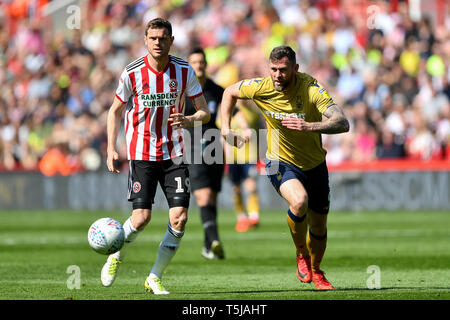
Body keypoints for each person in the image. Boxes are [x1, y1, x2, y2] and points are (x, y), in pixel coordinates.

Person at [220, 45, 349, 290]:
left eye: (283, 70)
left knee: (319, 226)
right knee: (299, 201)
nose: (278, 75)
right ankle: (301, 254)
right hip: (277, 161)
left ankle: (317, 270)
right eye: (274, 69)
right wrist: (226, 129)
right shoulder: (261, 86)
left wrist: (309, 126)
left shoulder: (310, 88)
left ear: (295, 69)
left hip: (315, 164)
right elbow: (229, 92)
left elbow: (342, 122)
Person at [104, 18, 210, 295]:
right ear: (145, 40)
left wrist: (189, 119)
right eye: (153, 38)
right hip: (141, 152)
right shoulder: (132, 72)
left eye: (163, 38)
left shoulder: (184, 71)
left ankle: (154, 277)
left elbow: (204, 112)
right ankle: (116, 255)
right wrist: (110, 148)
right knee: (141, 218)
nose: (158, 43)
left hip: (174, 152)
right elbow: (114, 111)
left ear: (171, 40)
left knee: (180, 218)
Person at [184, 47, 226, 260]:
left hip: (214, 147)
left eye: (201, 62)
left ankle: (208, 245)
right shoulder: (182, 91)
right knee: (204, 195)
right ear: (188, 65)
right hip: (191, 148)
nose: (198, 66)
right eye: (194, 62)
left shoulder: (216, 90)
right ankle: (216, 241)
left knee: (213, 198)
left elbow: (233, 110)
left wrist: (243, 128)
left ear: (206, 64)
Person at [224, 102, 261, 233]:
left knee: (251, 185)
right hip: (232, 157)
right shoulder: (226, 111)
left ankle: (254, 216)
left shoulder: (252, 113)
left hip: (249, 156)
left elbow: (259, 133)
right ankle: (241, 217)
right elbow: (221, 135)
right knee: (236, 188)